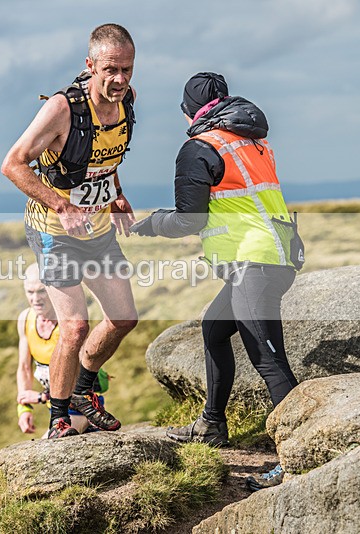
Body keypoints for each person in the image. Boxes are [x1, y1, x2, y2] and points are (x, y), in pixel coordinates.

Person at [131, 72, 301, 491]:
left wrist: (151, 225)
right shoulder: (251, 140)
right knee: (214, 328)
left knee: (269, 361)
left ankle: (299, 457)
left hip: (254, 263)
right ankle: (212, 424)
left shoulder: (199, 147)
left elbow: (191, 219)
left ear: (189, 110)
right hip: (275, 254)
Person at [1, 23, 139, 439]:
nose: (119, 81)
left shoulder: (127, 101)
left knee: (123, 318)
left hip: (96, 231)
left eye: (127, 70)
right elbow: (12, 164)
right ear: (90, 65)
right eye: (110, 70)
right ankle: (59, 417)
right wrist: (61, 205)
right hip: (53, 231)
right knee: (75, 326)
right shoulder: (63, 109)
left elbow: (104, 160)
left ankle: (82, 391)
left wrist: (116, 194)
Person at [16, 264, 110, 437]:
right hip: (57, 412)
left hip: (80, 410)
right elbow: (24, 367)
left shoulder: (70, 325)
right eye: (30, 292)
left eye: (42, 291)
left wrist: (40, 397)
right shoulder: (25, 319)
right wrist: (24, 408)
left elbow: (80, 379)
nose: (36, 298)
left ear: (53, 289)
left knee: (47, 450)